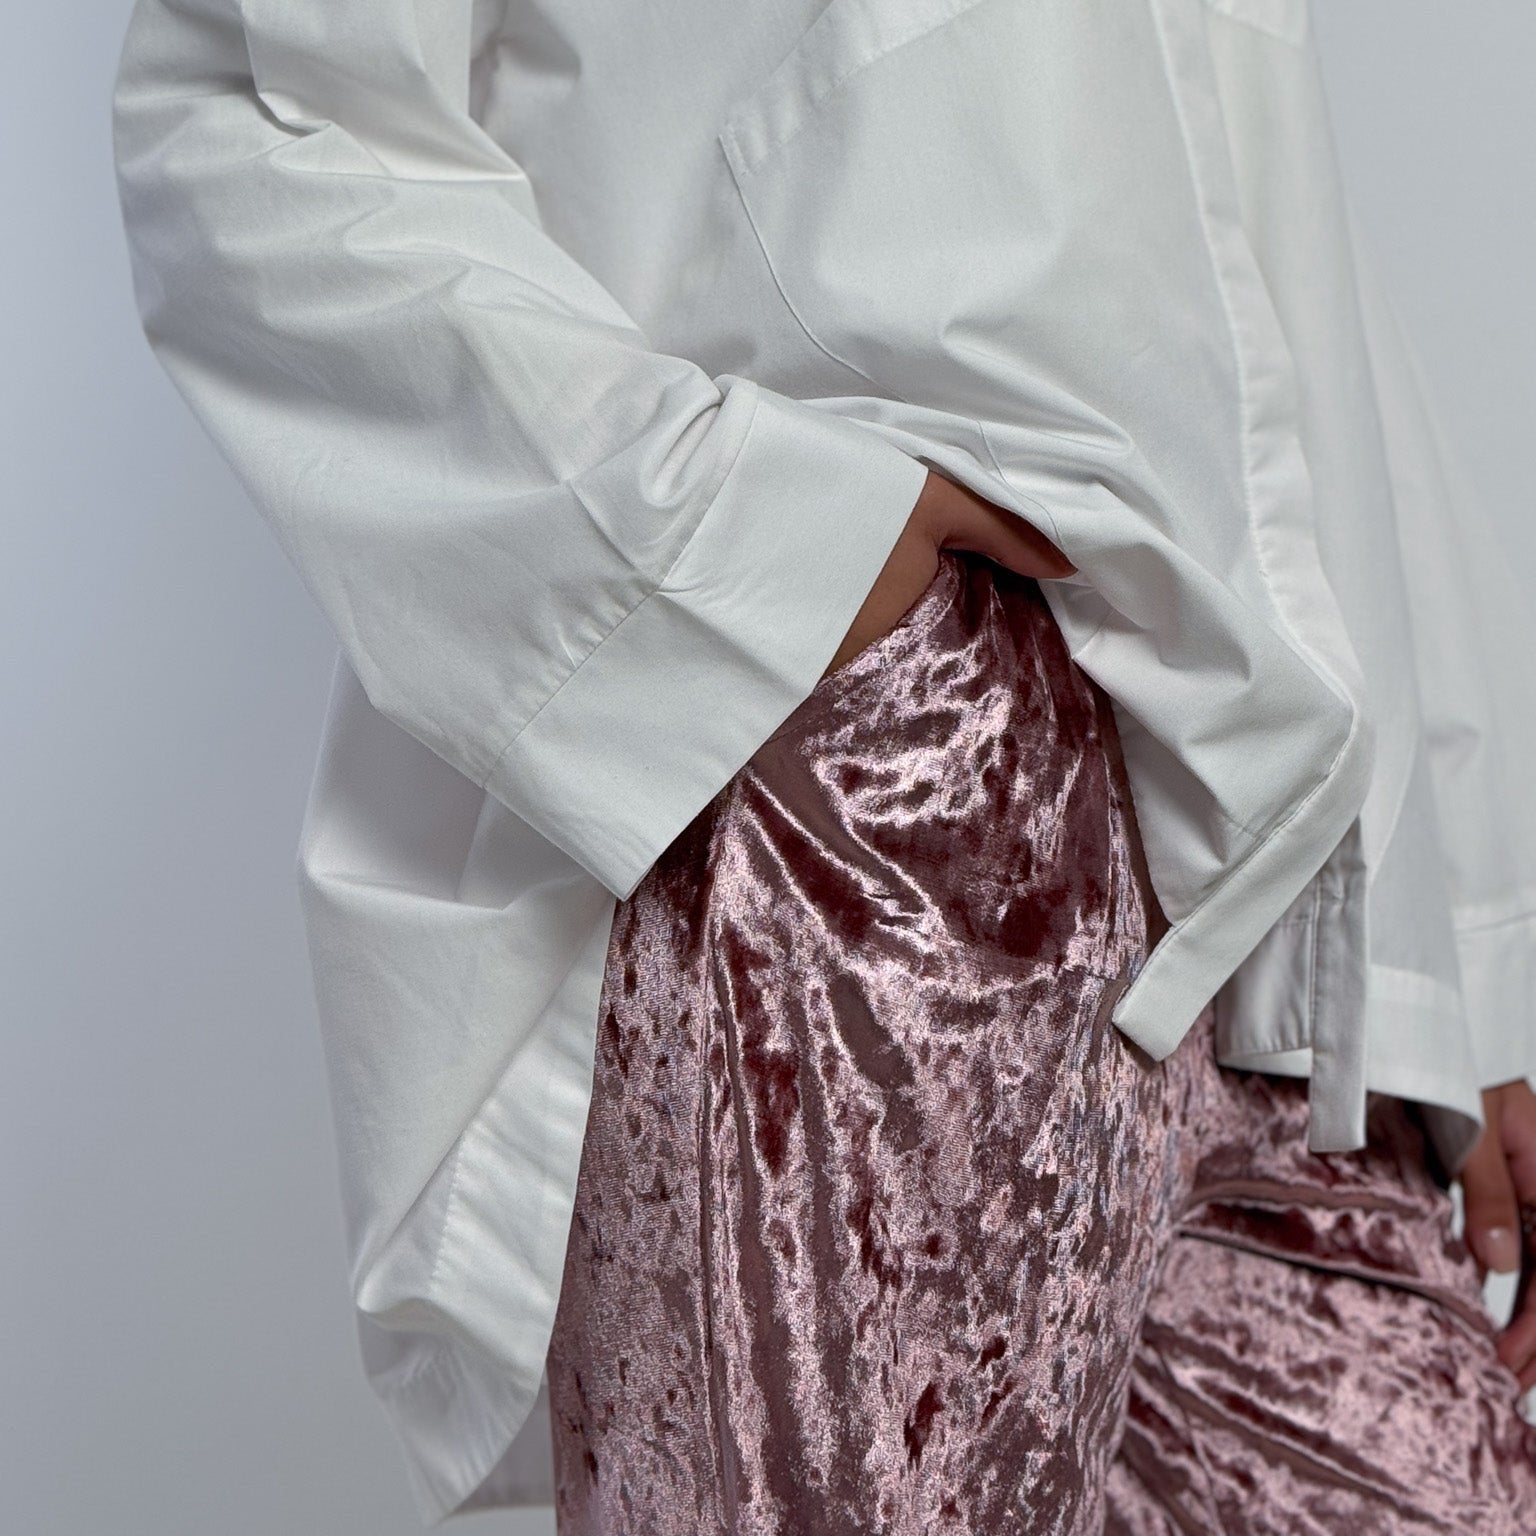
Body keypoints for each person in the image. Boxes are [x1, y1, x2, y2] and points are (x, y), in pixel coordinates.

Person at [110, 0, 1536, 1527]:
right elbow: (255, 115)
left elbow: (1254, 208)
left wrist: (1457, 940)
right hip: (869, 808)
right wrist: (742, 544)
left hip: (1278, 876)